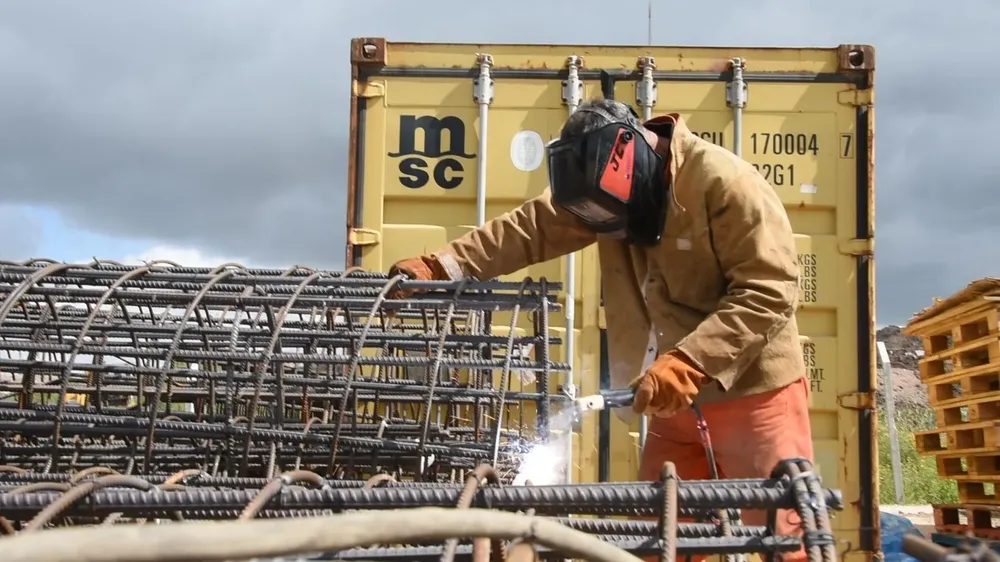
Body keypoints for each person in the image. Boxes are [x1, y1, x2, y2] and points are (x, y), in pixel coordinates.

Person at [389, 99, 814, 562]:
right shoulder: (601, 193)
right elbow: (527, 230)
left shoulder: (723, 183)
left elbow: (769, 290)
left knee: (784, 538)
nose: (617, 230)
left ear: (637, 160)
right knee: (661, 536)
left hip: (753, 396)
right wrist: (441, 265)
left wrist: (692, 362)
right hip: (673, 398)